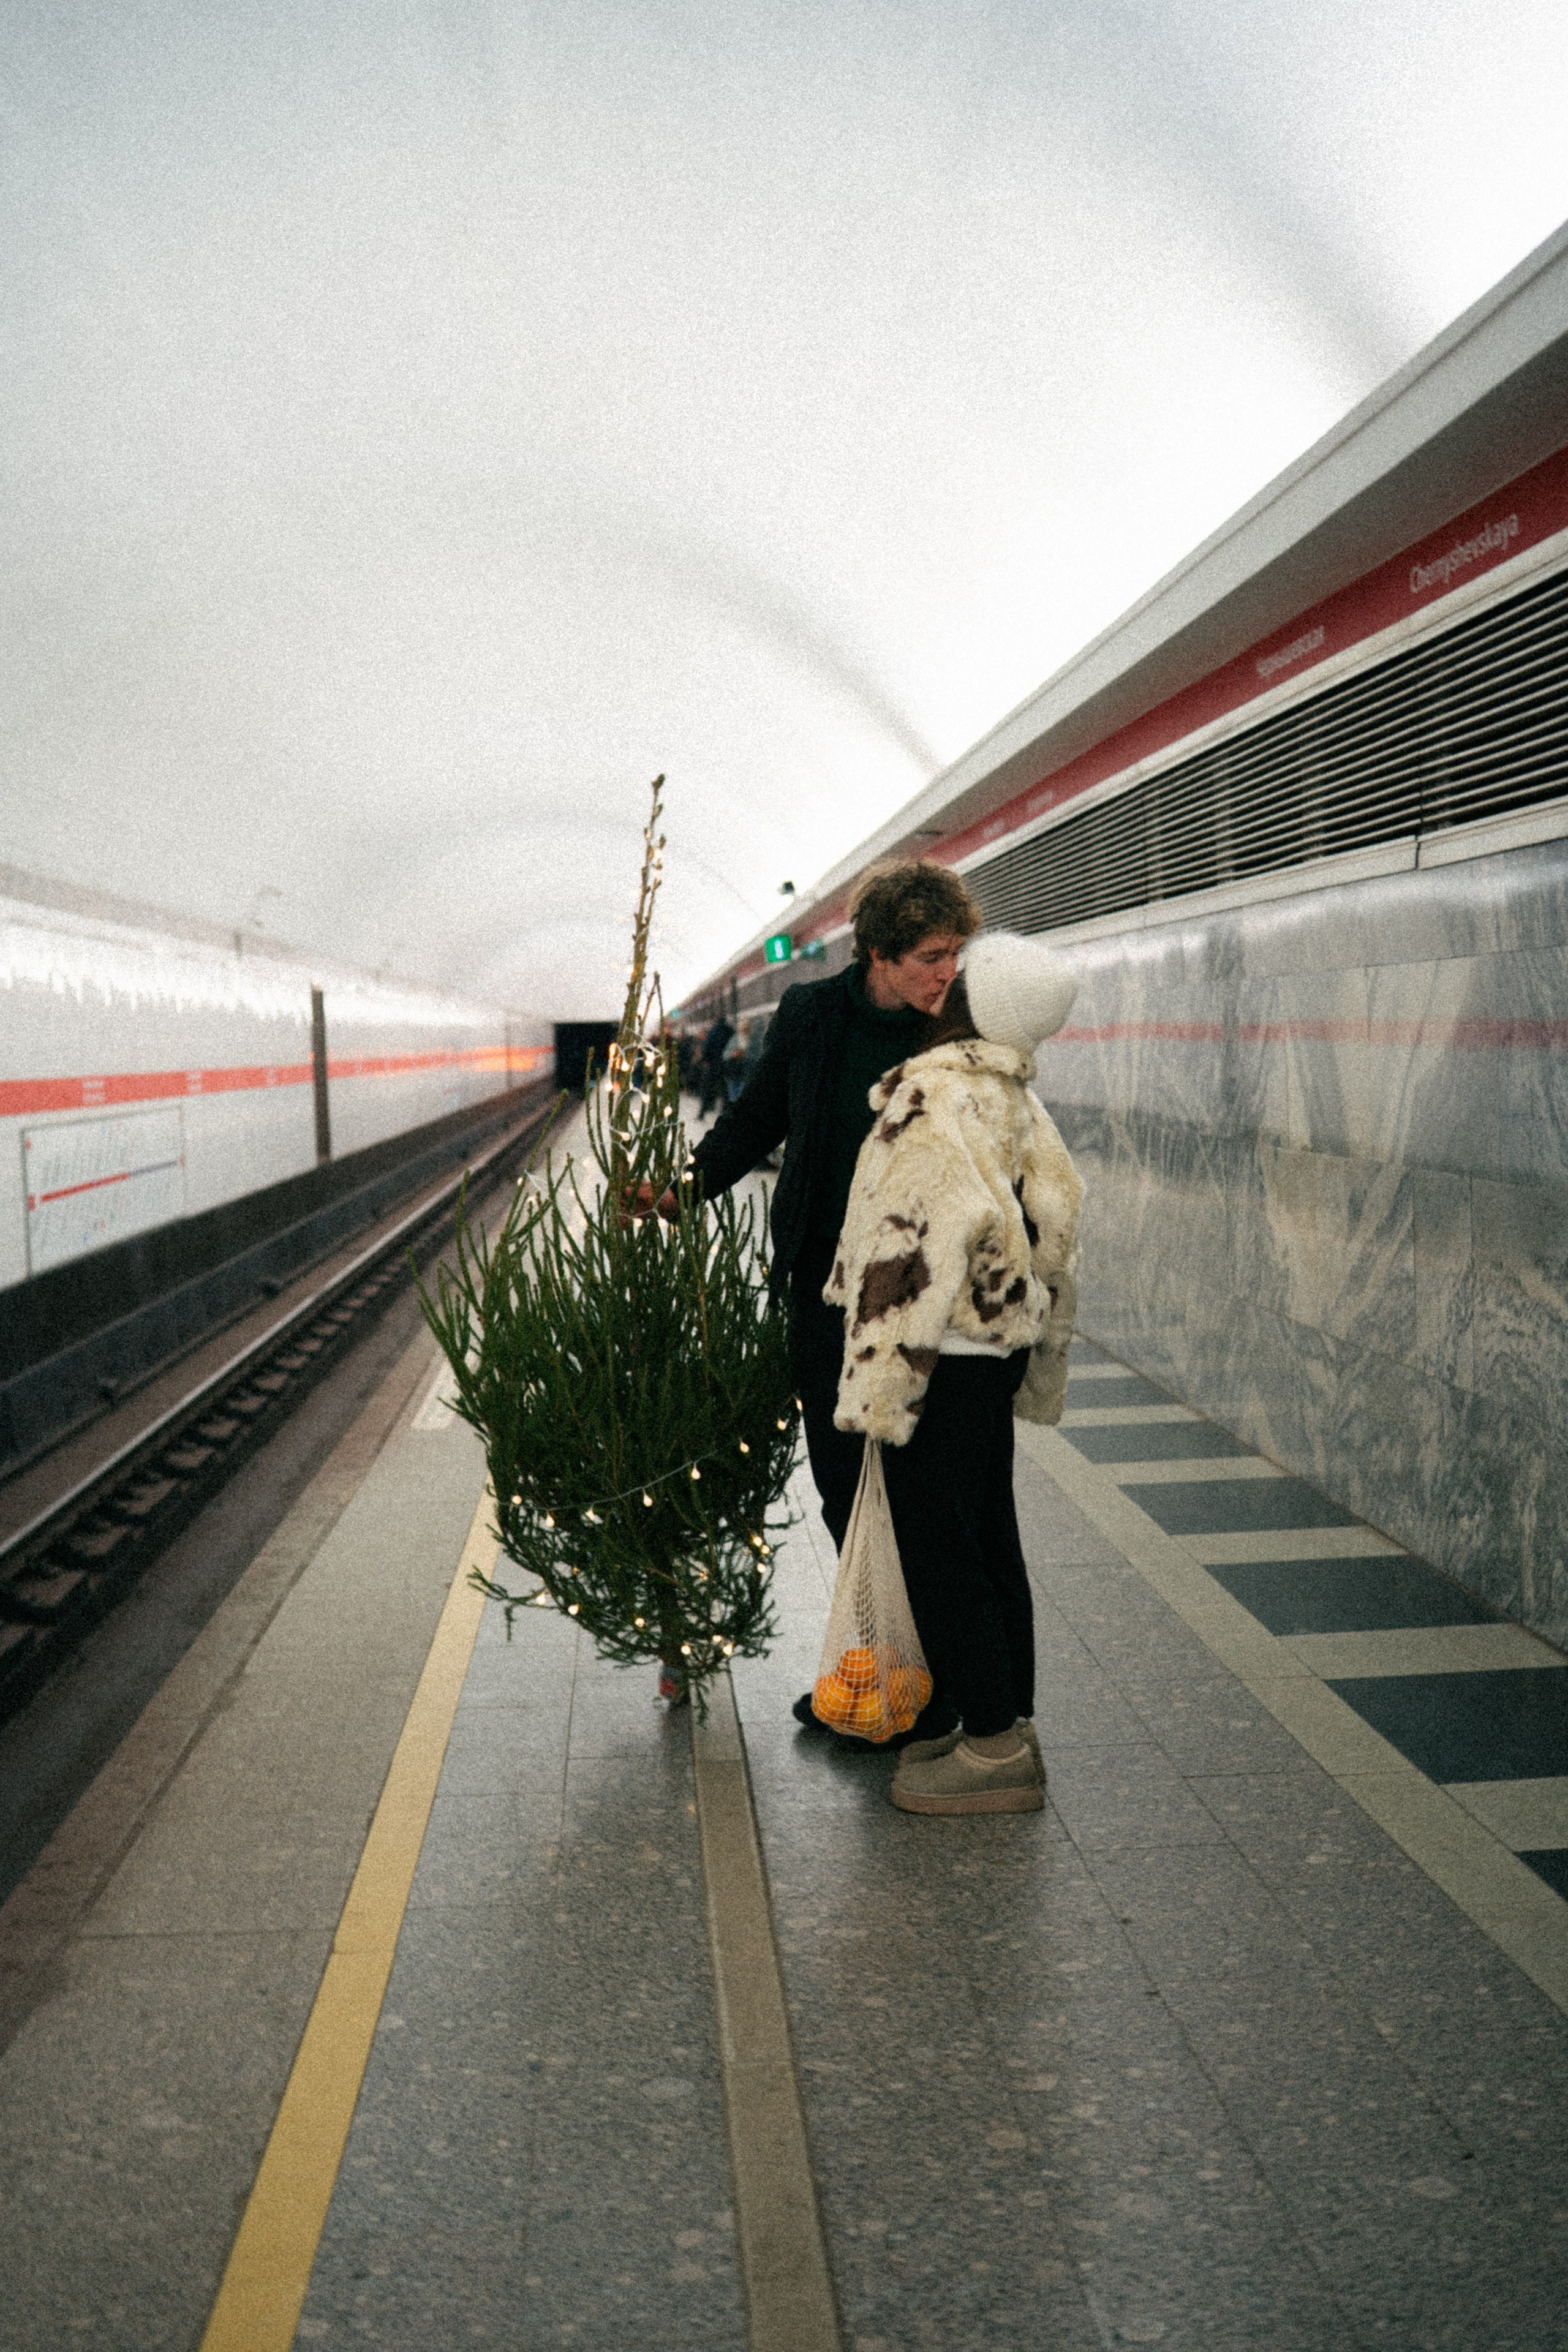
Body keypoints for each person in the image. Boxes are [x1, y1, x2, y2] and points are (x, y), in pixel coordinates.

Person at [637, 861, 982, 1740]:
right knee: (840, 1486)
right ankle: (875, 1670)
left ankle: (939, 1689)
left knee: (920, 1492)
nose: (946, 973)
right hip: (823, 1291)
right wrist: (681, 1188)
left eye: (954, 954)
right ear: (878, 952)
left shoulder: (961, 1024)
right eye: (928, 957)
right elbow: (754, 1123)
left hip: (920, 1297)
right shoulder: (811, 1015)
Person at [826, 935, 1082, 1814]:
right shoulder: (1013, 1094)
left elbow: (908, 1244)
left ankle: (993, 1749)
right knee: (989, 1538)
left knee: (942, 1552)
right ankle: (1005, 1719)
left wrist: (880, 1384)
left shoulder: (932, 1093)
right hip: (990, 1360)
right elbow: (1058, 1213)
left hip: (931, 1357)